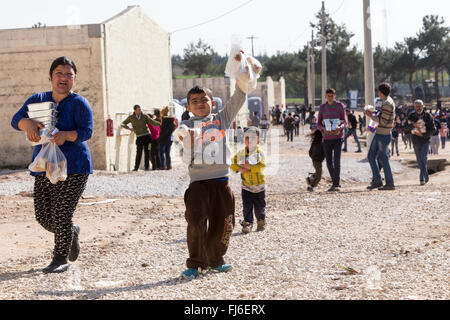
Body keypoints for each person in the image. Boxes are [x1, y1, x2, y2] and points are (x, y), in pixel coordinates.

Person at [11, 56, 93, 273]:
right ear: (50, 76)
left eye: (69, 74)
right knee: (44, 217)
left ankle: (60, 259)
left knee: (62, 214)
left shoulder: (79, 103)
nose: (63, 78)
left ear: (74, 79)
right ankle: (72, 232)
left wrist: (66, 135)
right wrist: (27, 122)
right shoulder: (37, 99)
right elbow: (15, 120)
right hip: (44, 165)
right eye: (59, 73)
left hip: (74, 167)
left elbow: (87, 131)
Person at [175, 74, 247, 278]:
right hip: (198, 184)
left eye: (204, 100)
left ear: (212, 103)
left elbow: (237, 100)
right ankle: (196, 263)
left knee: (224, 223)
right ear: (188, 107)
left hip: (222, 182)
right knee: (196, 221)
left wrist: (243, 79)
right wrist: (187, 137)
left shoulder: (220, 120)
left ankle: (216, 260)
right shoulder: (187, 125)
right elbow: (181, 136)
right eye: (194, 101)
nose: (199, 104)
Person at [230, 127, 266, 234]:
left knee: (260, 207)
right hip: (246, 186)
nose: (250, 140)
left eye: (253, 138)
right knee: (247, 207)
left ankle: (261, 221)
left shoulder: (260, 153)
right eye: (247, 137)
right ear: (244, 139)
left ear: (258, 140)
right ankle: (248, 223)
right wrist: (240, 169)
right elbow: (232, 163)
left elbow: (262, 166)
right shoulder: (241, 153)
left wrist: (249, 167)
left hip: (259, 186)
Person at [365, 83, 396, 191]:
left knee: (382, 158)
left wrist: (371, 116)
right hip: (381, 133)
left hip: (383, 134)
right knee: (372, 156)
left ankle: (389, 183)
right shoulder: (387, 101)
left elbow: (383, 120)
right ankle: (378, 180)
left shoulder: (387, 103)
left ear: (381, 92)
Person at [317, 88, 347, 192]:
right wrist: (323, 129)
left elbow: (345, 121)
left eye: (332, 96)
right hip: (327, 138)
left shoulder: (340, 106)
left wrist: (340, 127)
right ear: (326, 96)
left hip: (338, 137)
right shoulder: (322, 107)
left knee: (337, 161)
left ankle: (336, 184)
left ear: (335, 96)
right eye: (328, 96)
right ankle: (335, 181)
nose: (330, 98)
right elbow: (318, 123)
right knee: (329, 162)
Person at [122, 105, 161, 171]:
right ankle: (136, 167)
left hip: (148, 138)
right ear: (135, 110)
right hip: (139, 138)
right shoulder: (131, 117)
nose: (140, 110)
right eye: (138, 109)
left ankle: (147, 167)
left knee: (148, 151)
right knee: (139, 153)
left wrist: (159, 123)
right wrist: (129, 128)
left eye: (140, 109)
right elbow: (123, 124)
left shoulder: (145, 116)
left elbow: (152, 121)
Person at [407, 100, 435, 185]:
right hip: (415, 141)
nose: (418, 108)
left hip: (425, 140)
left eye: (419, 106)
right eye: (416, 106)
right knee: (419, 161)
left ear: (423, 106)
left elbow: (433, 129)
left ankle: (422, 178)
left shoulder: (428, 116)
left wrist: (423, 134)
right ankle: (425, 175)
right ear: (414, 107)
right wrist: (413, 126)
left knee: (424, 158)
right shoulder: (411, 116)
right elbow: (406, 127)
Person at [306, 127, 325, 192]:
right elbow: (324, 152)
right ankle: (311, 185)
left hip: (314, 160)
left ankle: (310, 178)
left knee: (319, 172)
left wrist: (313, 157)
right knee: (319, 175)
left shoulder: (314, 143)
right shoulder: (321, 144)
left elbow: (310, 152)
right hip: (318, 160)